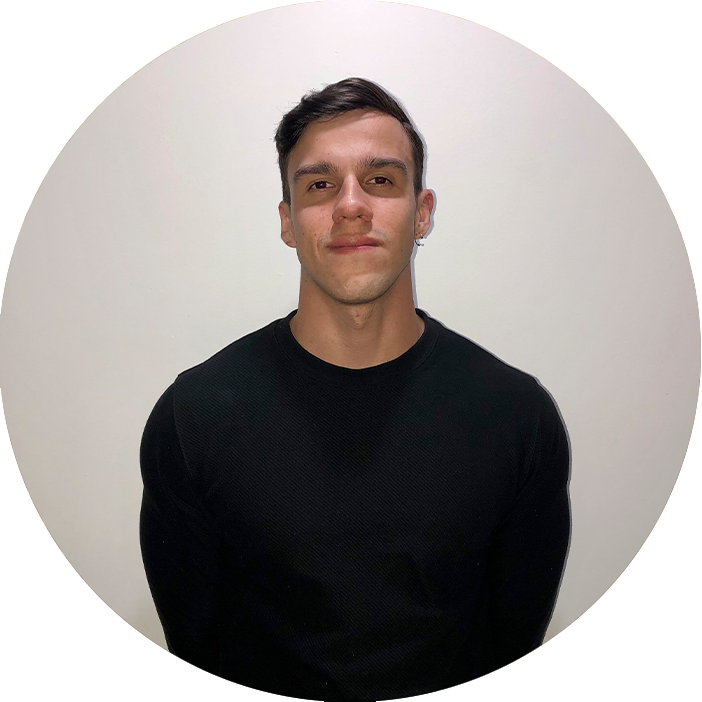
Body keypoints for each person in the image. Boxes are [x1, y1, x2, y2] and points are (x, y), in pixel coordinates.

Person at [139, 77, 571, 702]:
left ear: (422, 212)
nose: (350, 205)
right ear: (288, 222)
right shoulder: (193, 420)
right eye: (319, 185)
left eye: (381, 179)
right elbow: (195, 655)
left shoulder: (517, 418)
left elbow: (512, 654)